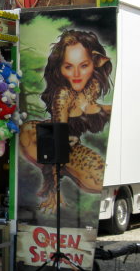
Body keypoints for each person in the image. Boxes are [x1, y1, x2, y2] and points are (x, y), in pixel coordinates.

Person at [19, 30, 112, 213]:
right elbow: (56, 140)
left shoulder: (93, 86)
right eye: (68, 66)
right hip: (56, 144)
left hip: (70, 148)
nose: (76, 74)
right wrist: (54, 190)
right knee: (30, 133)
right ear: (60, 67)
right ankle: (60, 171)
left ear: (96, 62)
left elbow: (91, 108)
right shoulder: (63, 95)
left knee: (99, 178)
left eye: (83, 65)